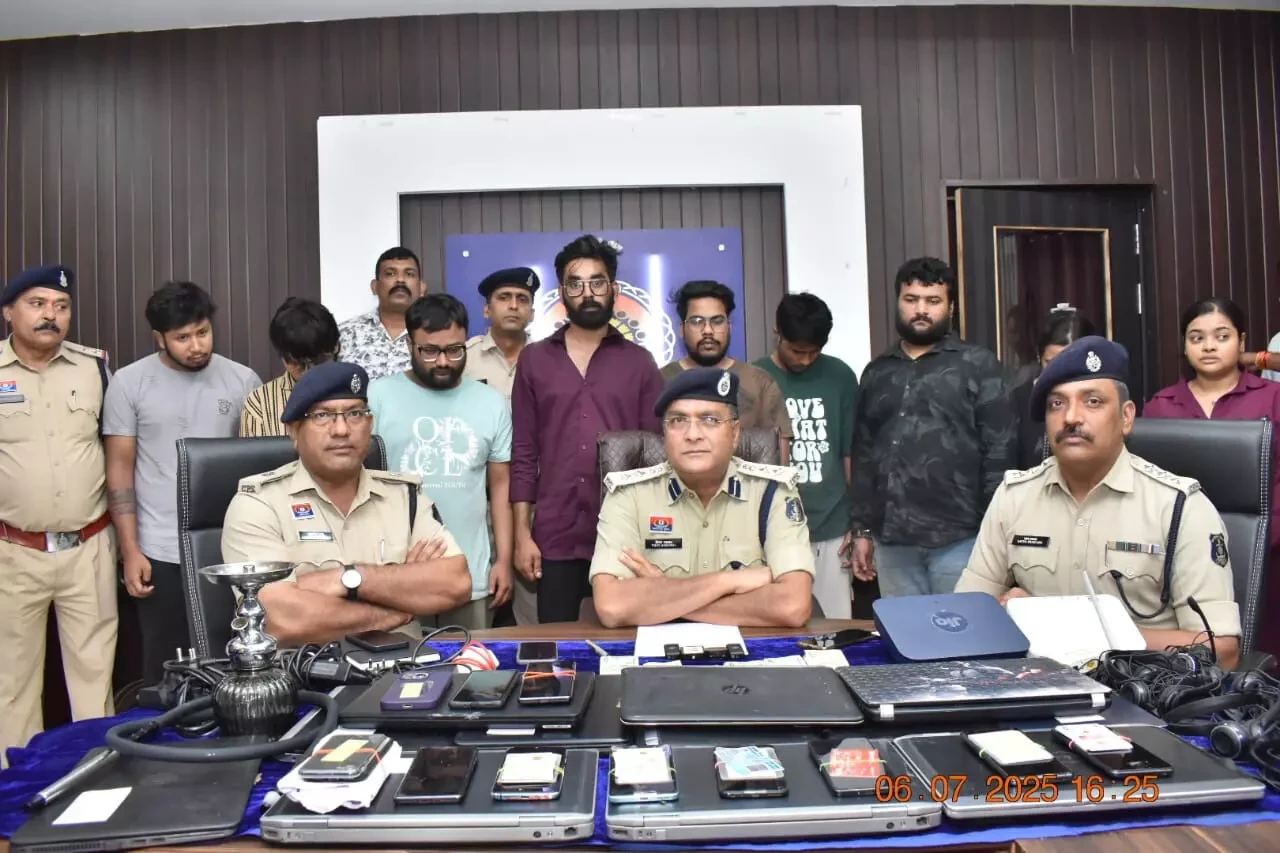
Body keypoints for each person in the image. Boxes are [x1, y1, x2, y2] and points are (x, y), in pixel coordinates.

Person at [957, 336, 1241, 668]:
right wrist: (1010, 614)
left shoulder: (1179, 507)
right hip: (1034, 687)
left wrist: (1068, 629)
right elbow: (965, 619)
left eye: (1092, 401)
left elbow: (1222, 650)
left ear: (1126, 417)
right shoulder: (1014, 497)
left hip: (1142, 690)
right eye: (1056, 404)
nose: (1070, 417)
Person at [221, 362, 471, 646]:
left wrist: (348, 579)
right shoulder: (258, 504)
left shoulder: (405, 497)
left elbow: (455, 583)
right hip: (304, 671)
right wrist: (398, 608)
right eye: (322, 415)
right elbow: (279, 619)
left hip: (403, 667)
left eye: (354, 413)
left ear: (370, 424)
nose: (341, 429)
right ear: (293, 431)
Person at [103, 282, 262, 684]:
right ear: (160, 338)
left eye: (203, 332)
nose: (197, 346)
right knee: (165, 668)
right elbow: (119, 469)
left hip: (229, 547)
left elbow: (259, 468)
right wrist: (130, 549)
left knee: (232, 662)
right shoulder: (129, 382)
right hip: (158, 548)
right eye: (183, 337)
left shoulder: (242, 380)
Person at [510, 234, 665, 623]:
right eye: (576, 285)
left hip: (625, 536)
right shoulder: (535, 360)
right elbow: (524, 452)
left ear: (613, 289)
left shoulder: (640, 363)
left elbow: (657, 457)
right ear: (563, 293)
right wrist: (522, 535)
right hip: (555, 534)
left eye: (597, 282)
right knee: (558, 645)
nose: (588, 294)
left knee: (625, 642)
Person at [590, 368, 814, 628]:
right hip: (656, 651)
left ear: (735, 433)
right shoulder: (628, 495)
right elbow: (613, 606)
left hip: (749, 651)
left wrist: (664, 596)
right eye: (678, 420)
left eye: (709, 420)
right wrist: (728, 582)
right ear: (665, 434)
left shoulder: (772, 492)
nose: (693, 434)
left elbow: (792, 606)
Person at [0, 265, 116, 767]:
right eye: (38, 304)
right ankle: (15, 784)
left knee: (95, 675)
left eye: (61, 306)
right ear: (9, 312)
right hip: (12, 552)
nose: (52, 315)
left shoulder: (95, 370)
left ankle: (96, 776)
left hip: (89, 547)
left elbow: (117, 452)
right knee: (11, 681)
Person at [848, 257, 1015, 598]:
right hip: (892, 543)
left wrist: (995, 534)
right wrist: (862, 530)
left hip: (962, 539)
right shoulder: (877, 372)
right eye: (911, 299)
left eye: (933, 301)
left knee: (962, 629)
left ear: (950, 307)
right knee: (905, 631)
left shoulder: (978, 365)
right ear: (898, 302)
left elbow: (1000, 452)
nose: (921, 310)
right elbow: (864, 455)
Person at [1143, 296, 1280, 654]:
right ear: (1184, 345)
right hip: (1180, 558)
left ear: (1241, 341)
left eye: (1222, 336)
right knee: (1197, 656)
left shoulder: (1273, 398)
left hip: (1267, 553)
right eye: (1196, 337)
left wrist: (1265, 535)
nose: (1208, 346)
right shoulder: (1160, 406)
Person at [369, 294, 514, 629]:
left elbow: (501, 486)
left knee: (471, 661)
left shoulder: (490, 403)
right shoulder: (378, 397)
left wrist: (504, 560)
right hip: (396, 575)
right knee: (399, 661)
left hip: (469, 574)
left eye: (454, 350)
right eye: (430, 351)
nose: (443, 361)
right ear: (410, 345)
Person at [755, 293, 858, 619]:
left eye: (815, 352)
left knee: (835, 629)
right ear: (777, 332)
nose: (805, 360)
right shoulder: (754, 377)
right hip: (770, 531)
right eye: (797, 351)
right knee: (779, 627)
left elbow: (850, 454)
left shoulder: (840, 376)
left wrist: (858, 523)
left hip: (832, 529)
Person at [660, 280, 792, 463]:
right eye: (697, 322)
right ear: (682, 329)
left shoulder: (759, 382)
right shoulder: (659, 381)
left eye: (717, 321)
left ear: (729, 327)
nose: (708, 330)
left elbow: (780, 465)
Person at [241, 297, 341, 437]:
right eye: (299, 365)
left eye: (318, 362)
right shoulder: (260, 403)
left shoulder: (359, 392)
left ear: (336, 347)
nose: (310, 372)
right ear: (282, 358)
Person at [1011, 310, 1097, 469]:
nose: (1059, 373)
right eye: (1050, 363)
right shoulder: (1018, 400)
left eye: (1070, 364)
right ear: (1039, 356)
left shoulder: (1099, 400)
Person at [338, 247, 427, 382]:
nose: (400, 280)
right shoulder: (345, 334)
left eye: (409, 274)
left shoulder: (435, 335)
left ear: (421, 288)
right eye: (390, 274)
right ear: (375, 286)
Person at [464, 266, 538, 399]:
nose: (514, 306)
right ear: (487, 310)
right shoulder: (466, 358)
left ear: (532, 314)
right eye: (504, 298)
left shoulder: (547, 360)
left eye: (522, 300)